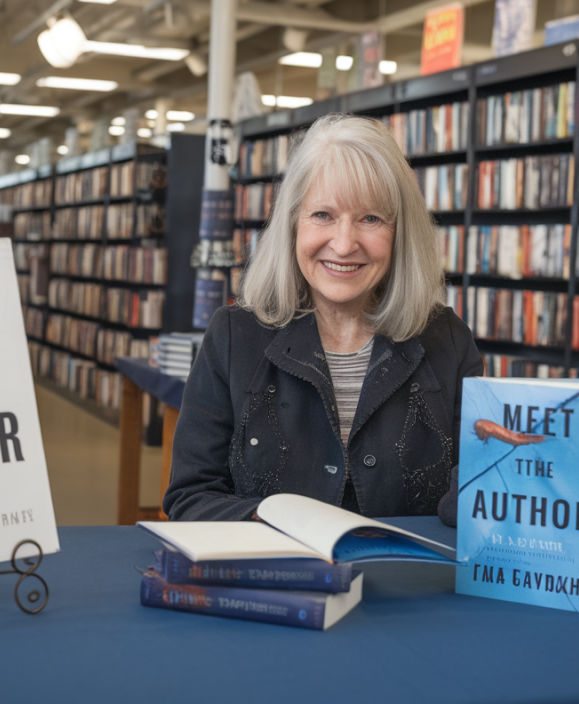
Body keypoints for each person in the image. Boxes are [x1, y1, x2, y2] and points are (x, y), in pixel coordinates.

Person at [162, 113, 482, 525]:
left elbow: (479, 496)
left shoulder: (449, 341)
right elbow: (191, 498)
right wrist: (288, 524)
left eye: (371, 218)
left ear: (400, 231)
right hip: (277, 581)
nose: (344, 244)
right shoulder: (232, 337)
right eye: (323, 215)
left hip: (409, 584)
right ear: (293, 222)